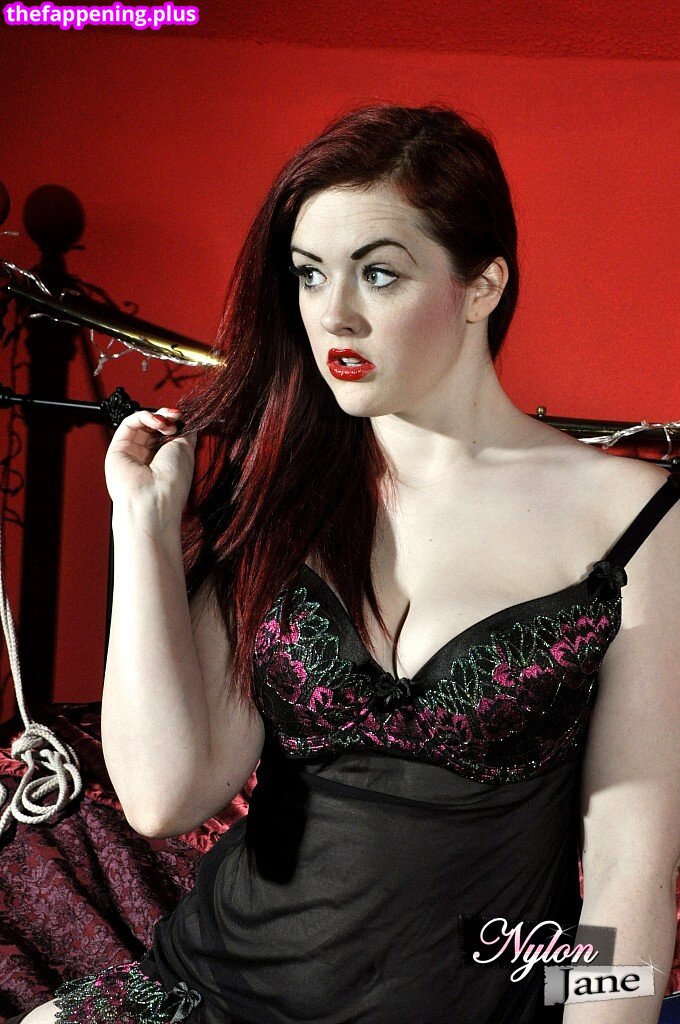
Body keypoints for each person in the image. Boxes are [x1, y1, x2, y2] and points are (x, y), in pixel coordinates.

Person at [12, 103, 679, 1024]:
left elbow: (629, 871)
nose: (335, 316)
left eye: (379, 273)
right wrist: (144, 527)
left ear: (482, 286)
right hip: (209, 995)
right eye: (310, 274)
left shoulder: (637, 519)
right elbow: (166, 797)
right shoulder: (281, 492)